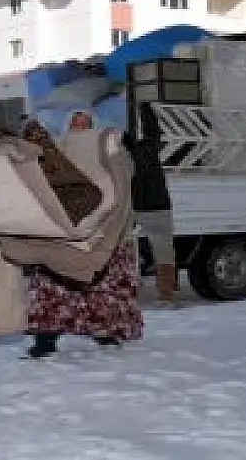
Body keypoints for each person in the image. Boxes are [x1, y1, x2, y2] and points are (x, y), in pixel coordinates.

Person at [24, 109, 144, 358]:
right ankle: (46, 339)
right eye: (76, 121)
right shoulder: (58, 151)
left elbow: (123, 178)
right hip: (65, 231)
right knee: (55, 285)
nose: (81, 126)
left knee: (101, 285)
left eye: (86, 121)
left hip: (103, 231)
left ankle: (107, 331)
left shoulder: (109, 147)